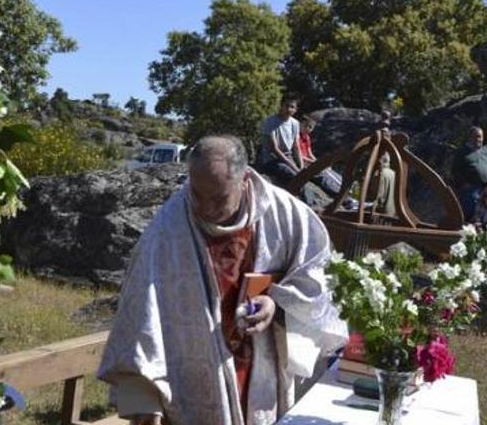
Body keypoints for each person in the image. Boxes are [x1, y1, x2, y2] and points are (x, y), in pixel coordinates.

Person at [98, 135, 347, 425]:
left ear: (245, 180)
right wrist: (144, 397)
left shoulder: (288, 217)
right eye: (197, 195)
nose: (205, 208)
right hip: (188, 386)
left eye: (218, 198)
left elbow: (317, 277)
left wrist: (277, 303)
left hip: (261, 368)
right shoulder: (167, 230)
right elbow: (140, 311)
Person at [451, 126, 487, 221]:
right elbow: (455, 171)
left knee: (486, 213)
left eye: (480, 137)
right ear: (470, 137)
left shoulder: (485, 152)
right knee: (470, 212)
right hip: (470, 189)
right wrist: (462, 184)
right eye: (476, 136)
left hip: (485, 188)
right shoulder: (462, 152)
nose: (479, 139)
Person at [258, 97, 304, 187]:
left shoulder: (295, 123)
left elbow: (296, 147)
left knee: (307, 175)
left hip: (288, 158)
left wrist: (301, 166)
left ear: (296, 110)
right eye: (286, 106)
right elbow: (274, 148)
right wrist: (294, 168)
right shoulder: (270, 121)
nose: (289, 109)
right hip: (272, 160)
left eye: (292, 107)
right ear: (281, 106)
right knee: (296, 178)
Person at [297, 116, 343, 199]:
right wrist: (313, 162)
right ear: (302, 124)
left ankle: (342, 186)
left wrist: (318, 161)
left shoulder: (307, 137)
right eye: (307, 126)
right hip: (303, 162)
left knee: (328, 169)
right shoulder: (297, 137)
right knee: (322, 174)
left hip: (309, 161)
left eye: (311, 128)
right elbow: (300, 155)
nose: (309, 129)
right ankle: (339, 193)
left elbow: (309, 153)